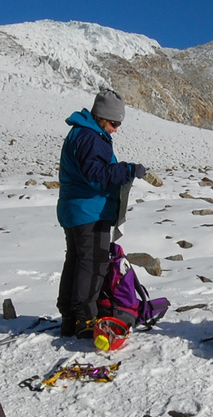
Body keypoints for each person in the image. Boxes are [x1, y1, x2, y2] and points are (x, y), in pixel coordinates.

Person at [56, 87, 146, 338]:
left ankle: (69, 317)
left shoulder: (81, 133)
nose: (116, 128)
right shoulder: (90, 137)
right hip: (89, 211)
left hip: (75, 209)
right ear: (102, 117)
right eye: (114, 122)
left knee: (76, 262)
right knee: (93, 265)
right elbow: (96, 176)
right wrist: (127, 170)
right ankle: (84, 319)